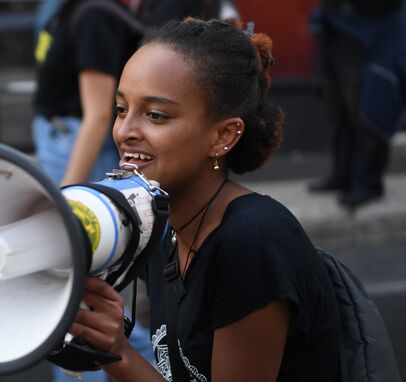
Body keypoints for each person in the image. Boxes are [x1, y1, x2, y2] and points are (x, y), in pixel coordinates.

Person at [68, 18, 342, 381]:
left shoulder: (251, 242)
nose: (125, 131)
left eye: (155, 115)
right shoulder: (167, 231)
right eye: (121, 109)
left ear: (223, 136)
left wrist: (117, 352)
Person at [308, 0, 406, 209]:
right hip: (336, 23)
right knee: (338, 106)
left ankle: (368, 183)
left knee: (369, 108)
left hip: (374, 29)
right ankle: (342, 175)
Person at [31, 0, 141, 186]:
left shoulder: (95, 15)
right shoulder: (75, 9)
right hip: (64, 138)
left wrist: (68, 194)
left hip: (75, 144)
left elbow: (98, 116)